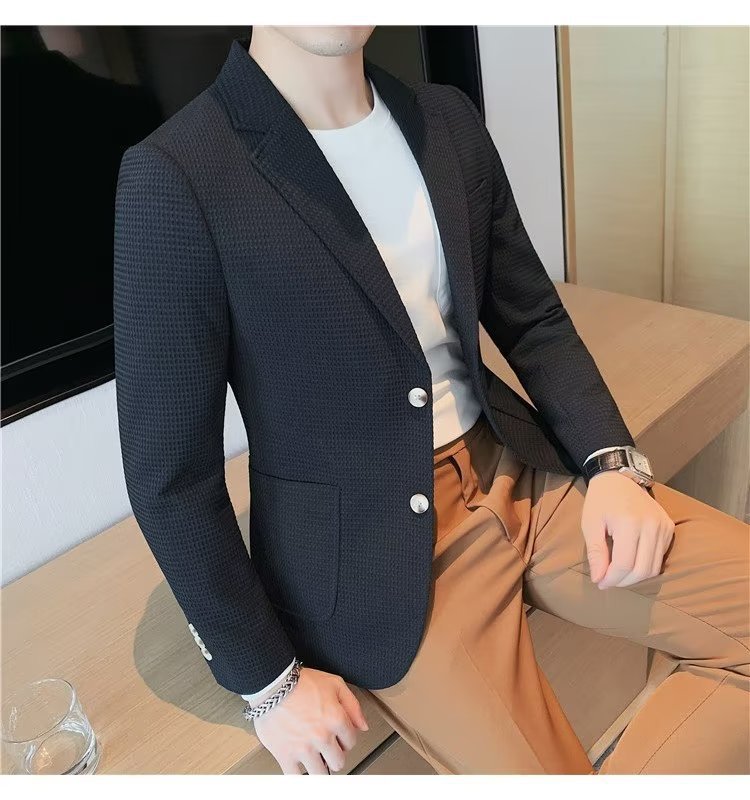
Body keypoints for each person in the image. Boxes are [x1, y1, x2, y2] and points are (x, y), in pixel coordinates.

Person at [113, 26, 749, 775]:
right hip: (378, 552)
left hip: (518, 472)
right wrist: (268, 682)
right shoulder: (178, 173)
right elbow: (171, 476)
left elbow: (533, 319)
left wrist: (611, 465)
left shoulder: (445, 118)